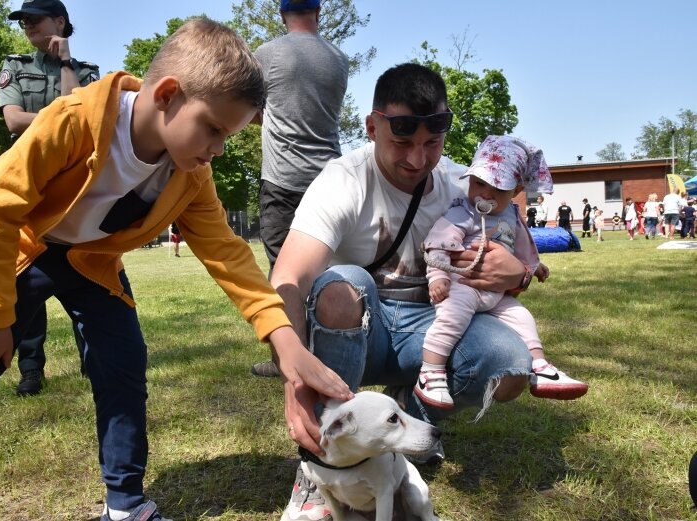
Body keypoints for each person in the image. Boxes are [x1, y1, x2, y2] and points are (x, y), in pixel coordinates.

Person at [0, 19, 351, 521]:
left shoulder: (190, 174)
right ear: (167, 94)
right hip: (13, 251)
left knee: (122, 366)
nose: (218, 148)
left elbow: (229, 256)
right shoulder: (74, 119)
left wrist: (285, 339)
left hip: (92, 265)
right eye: (213, 128)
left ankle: (124, 506)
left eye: (228, 136)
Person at [271, 63, 552, 521]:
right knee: (343, 285)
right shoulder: (343, 180)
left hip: (429, 328)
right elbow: (288, 278)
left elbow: (514, 230)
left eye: (432, 144)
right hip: (361, 327)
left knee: (511, 364)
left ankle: (409, 412)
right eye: (401, 141)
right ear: (372, 126)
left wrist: (517, 273)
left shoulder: (463, 186)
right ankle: (318, 464)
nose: (418, 161)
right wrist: (294, 373)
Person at [415, 135, 588, 409]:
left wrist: (534, 267)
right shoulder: (464, 212)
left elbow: (522, 248)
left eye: (498, 189)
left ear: (516, 189)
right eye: (479, 183)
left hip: (496, 294)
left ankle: (540, 365)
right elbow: (437, 245)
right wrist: (438, 277)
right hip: (464, 286)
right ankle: (431, 371)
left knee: (522, 317)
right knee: (451, 318)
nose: (485, 194)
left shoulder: (510, 216)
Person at [0, 0, 100, 396]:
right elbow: (12, 120)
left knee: (85, 272)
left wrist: (66, 65)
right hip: (25, 185)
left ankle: (92, 363)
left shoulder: (87, 72)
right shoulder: (15, 66)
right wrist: (63, 119)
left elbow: (84, 123)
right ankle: (30, 370)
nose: (27, 27)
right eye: (22, 21)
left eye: (34, 20)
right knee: (26, 276)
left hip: (75, 191)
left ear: (59, 21)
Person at [250, 0, 349, 379]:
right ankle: (328, 352)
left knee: (284, 272)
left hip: (282, 180)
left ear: (281, 13)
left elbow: (253, 107)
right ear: (318, 12)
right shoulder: (338, 59)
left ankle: (288, 360)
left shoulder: (267, 54)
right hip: (330, 178)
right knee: (327, 270)